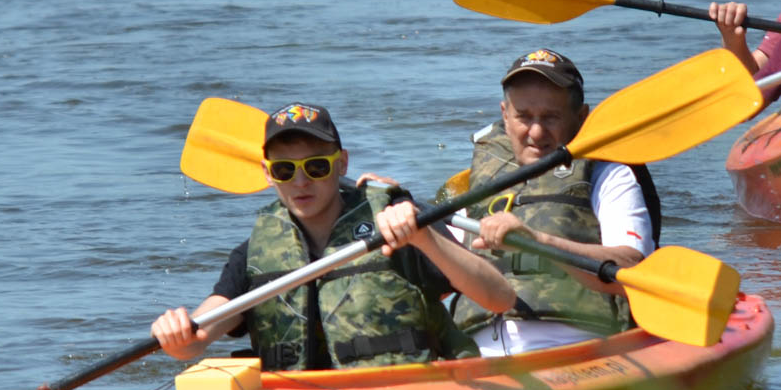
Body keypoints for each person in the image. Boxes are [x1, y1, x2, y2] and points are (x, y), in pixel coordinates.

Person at [151, 103, 511, 371]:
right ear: (268, 173)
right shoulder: (254, 254)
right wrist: (176, 334)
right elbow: (196, 340)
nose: (301, 182)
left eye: (316, 167)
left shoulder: (395, 223)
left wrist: (425, 240)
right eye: (285, 170)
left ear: (342, 165)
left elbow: (498, 298)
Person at [446, 50, 659, 357]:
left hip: (574, 351)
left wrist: (538, 242)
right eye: (524, 116)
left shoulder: (609, 176)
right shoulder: (482, 182)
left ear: (581, 117)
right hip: (477, 359)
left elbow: (633, 268)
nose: (536, 132)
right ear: (505, 115)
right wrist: (402, 219)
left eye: (551, 117)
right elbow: (433, 276)